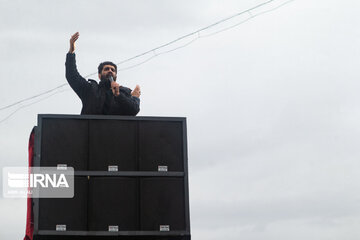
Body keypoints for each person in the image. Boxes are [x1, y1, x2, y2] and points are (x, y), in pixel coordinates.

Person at [65, 32, 141, 116]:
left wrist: (119, 95)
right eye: (106, 69)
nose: (110, 71)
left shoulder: (124, 92)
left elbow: (134, 110)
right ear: (99, 75)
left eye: (113, 70)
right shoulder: (90, 89)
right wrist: (71, 52)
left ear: (116, 76)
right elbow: (72, 76)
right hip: (91, 128)